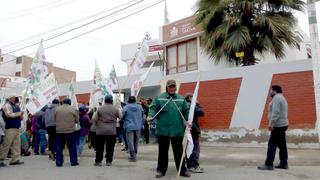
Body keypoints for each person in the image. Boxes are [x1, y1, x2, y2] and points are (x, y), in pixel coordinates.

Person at [147, 79, 191, 178]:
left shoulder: (181, 99)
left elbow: (186, 111)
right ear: (167, 87)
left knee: (179, 151)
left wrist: (189, 121)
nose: (172, 88)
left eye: (173, 86)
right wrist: (150, 116)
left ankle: (182, 170)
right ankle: (161, 170)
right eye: (170, 86)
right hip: (163, 129)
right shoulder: (159, 98)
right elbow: (153, 108)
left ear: (176, 87)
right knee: (162, 151)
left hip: (177, 130)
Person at [258, 85, 289, 170]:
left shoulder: (276, 98)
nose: (270, 92)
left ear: (274, 91)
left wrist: (271, 124)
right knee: (282, 145)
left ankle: (268, 164)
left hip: (277, 126)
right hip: (283, 125)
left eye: (271, 90)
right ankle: (284, 163)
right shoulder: (282, 98)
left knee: (272, 144)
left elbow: (276, 112)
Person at [92, 95, 121, 166]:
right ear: (112, 100)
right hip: (112, 131)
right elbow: (120, 117)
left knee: (99, 147)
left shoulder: (100, 108)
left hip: (101, 131)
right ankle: (109, 161)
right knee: (110, 147)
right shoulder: (115, 109)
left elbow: (94, 119)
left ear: (104, 100)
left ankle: (98, 161)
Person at [0, 93, 24, 166]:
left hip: (16, 127)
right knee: (6, 144)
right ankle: (1, 159)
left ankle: (15, 159)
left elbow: (19, 117)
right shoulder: (7, 105)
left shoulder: (16, 106)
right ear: (12, 98)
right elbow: (8, 114)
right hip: (9, 128)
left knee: (17, 144)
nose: (17, 98)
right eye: (15, 97)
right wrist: (19, 114)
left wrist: (21, 116)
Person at [54, 98, 79, 167]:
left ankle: (59, 162)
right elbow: (77, 120)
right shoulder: (73, 109)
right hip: (70, 131)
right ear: (69, 103)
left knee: (59, 147)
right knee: (72, 147)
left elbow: (54, 119)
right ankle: (73, 162)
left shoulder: (57, 109)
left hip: (59, 131)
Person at [184, 93, 205, 173]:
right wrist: (197, 103)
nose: (196, 99)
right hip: (193, 131)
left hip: (186, 130)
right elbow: (202, 112)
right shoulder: (191, 106)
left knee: (188, 148)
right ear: (190, 98)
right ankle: (193, 165)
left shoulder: (184, 105)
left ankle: (189, 164)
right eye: (194, 98)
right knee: (195, 148)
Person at [122, 96, 144, 162]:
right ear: (135, 100)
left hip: (129, 126)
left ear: (129, 101)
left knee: (130, 142)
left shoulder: (126, 107)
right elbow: (143, 116)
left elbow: (122, 116)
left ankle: (133, 156)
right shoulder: (140, 107)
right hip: (138, 126)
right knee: (136, 142)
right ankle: (135, 154)